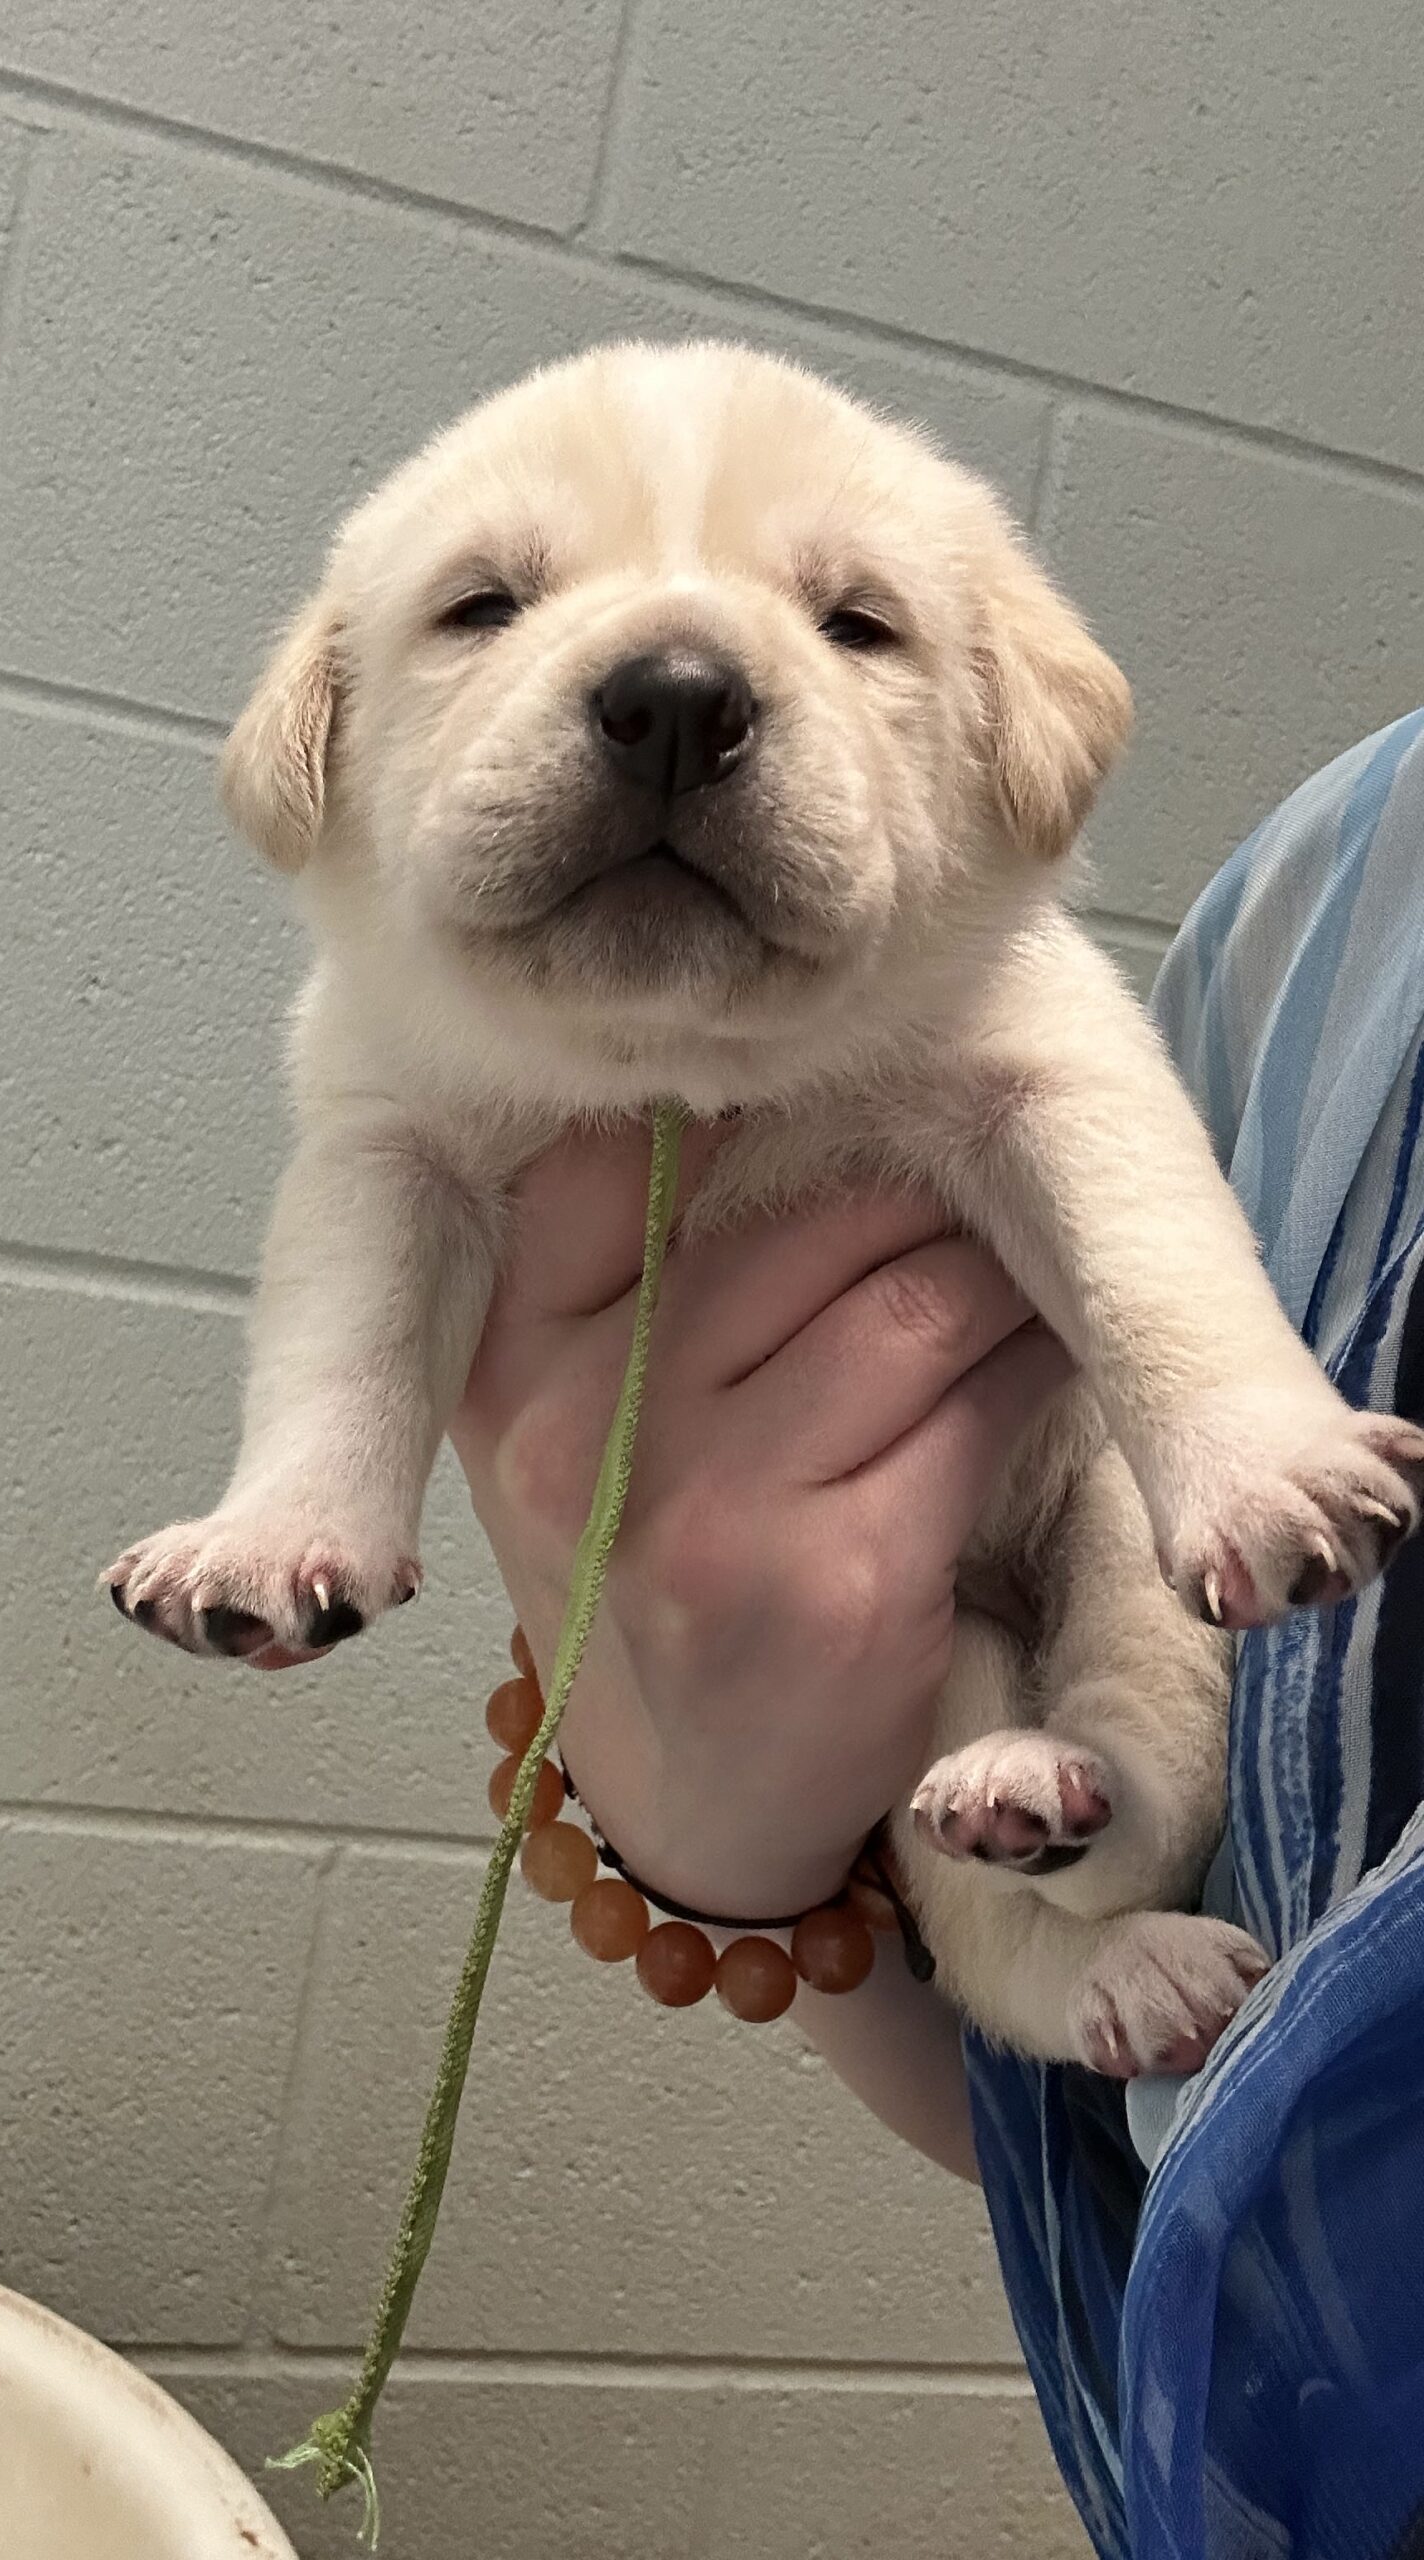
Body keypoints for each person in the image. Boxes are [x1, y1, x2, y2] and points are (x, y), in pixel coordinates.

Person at [448, 711, 1424, 2560]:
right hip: (1209, 2355)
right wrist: (715, 1827)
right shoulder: (1332, 914)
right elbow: (1070, 2130)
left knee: (1131, 1658)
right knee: (1094, 1702)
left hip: (1251, 2420)